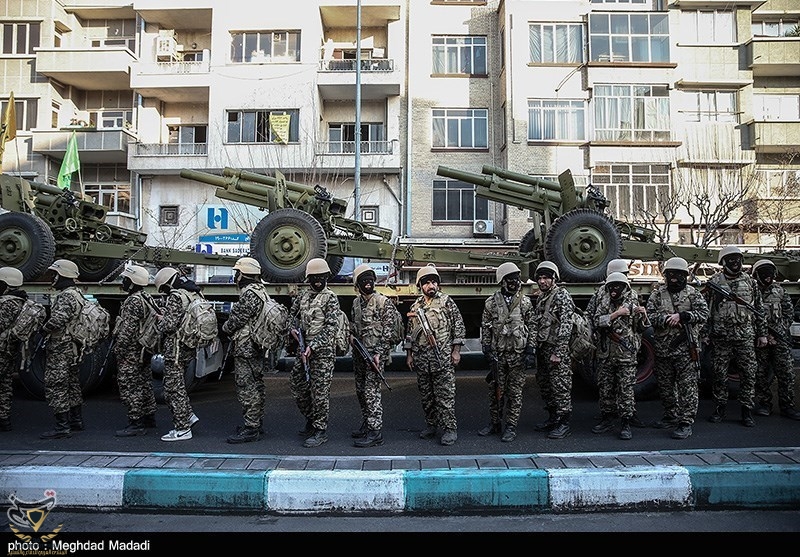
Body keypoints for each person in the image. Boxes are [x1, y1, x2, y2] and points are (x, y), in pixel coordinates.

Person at [701, 246, 767, 427]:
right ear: (723, 262)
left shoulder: (750, 282)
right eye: (730, 259)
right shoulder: (714, 282)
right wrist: (705, 333)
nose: (735, 262)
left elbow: (759, 309)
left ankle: (746, 410)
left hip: (745, 337)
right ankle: (720, 408)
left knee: (748, 373)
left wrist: (762, 334)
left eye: (737, 259)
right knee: (719, 374)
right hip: (721, 338)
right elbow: (706, 310)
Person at [645, 257, 709, 439]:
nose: (674, 278)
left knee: (687, 386)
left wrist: (683, 316)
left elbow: (704, 314)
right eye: (671, 274)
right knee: (665, 385)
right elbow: (650, 316)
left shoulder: (693, 294)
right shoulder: (657, 295)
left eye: (678, 275)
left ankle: (685, 422)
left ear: (685, 276)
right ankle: (670, 415)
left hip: (685, 349)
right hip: (663, 348)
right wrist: (666, 319)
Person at [405, 264, 466, 446]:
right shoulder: (416, 306)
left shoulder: (447, 302)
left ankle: (449, 429)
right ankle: (431, 425)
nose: (431, 286)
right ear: (420, 285)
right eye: (427, 283)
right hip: (422, 359)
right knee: (427, 397)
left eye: (434, 282)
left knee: (445, 396)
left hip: (442, 358)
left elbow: (458, 328)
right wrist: (409, 355)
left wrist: (456, 351)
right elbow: (409, 334)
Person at [584, 259, 647, 430]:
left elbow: (639, 327)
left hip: (625, 350)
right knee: (605, 386)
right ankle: (608, 416)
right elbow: (592, 318)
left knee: (626, 386)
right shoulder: (600, 295)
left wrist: (642, 316)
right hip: (606, 348)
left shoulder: (631, 295)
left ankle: (628, 417)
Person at [478, 262, 535, 443]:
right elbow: (486, 327)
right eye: (510, 280)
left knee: (515, 392)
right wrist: (486, 348)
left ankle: (511, 426)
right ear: (502, 281)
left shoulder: (524, 302)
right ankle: (495, 423)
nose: (514, 283)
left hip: (517, 355)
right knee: (495, 390)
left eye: (517, 279)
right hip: (499, 354)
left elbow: (532, 326)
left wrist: (530, 350)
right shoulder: (491, 303)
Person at [288, 257, 341, 448]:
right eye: (314, 277)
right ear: (308, 278)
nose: (318, 281)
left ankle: (320, 430)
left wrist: (314, 346)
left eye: (321, 277)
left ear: (326, 277)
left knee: (320, 393)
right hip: (303, 349)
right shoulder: (303, 296)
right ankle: (311, 419)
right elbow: (291, 316)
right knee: (297, 386)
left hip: (323, 353)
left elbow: (331, 327)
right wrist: (292, 330)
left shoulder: (330, 298)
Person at [221, 257, 273, 444]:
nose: (236, 276)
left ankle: (251, 428)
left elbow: (236, 320)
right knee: (257, 385)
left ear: (244, 274)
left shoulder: (249, 294)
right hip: (255, 345)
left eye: (238, 273)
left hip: (246, 347)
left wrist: (225, 328)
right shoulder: (261, 291)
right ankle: (256, 423)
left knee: (247, 387)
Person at [349, 263, 395, 448]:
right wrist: (350, 335)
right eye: (363, 280)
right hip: (359, 354)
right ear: (357, 284)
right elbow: (354, 326)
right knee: (361, 391)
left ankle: (375, 432)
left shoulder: (383, 302)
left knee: (371, 393)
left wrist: (378, 354)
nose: (368, 282)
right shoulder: (356, 303)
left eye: (370, 279)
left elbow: (388, 331)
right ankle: (367, 424)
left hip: (374, 356)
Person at [39, 259, 86, 439]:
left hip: (61, 347)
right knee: (72, 383)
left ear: (63, 275)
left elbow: (58, 320)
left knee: (56, 384)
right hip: (72, 346)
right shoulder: (77, 294)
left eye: (55, 274)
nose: (53, 278)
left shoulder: (66, 296)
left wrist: (43, 329)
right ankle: (76, 421)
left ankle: (62, 427)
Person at [154, 266, 201, 442]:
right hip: (188, 346)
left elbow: (169, 326)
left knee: (173, 388)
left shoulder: (176, 296)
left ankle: (182, 428)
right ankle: (188, 415)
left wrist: (161, 320)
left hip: (176, 348)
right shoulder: (193, 293)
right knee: (178, 386)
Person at [530, 261, 576, 439]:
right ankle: (553, 418)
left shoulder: (562, 296)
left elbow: (566, 325)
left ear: (554, 278)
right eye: (540, 278)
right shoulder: (542, 297)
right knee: (546, 385)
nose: (542, 281)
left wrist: (559, 352)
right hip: (544, 348)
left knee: (560, 386)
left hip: (556, 350)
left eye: (546, 278)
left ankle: (564, 423)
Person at [113, 264, 159, 437]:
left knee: (130, 385)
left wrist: (119, 350)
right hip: (143, 348)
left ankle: (135, 423)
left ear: (132, 282)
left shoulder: (133, 301)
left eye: (125, 279)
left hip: (131, 351)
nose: (123, 282)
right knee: (144, 383)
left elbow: (127, 330)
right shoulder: (146, 297)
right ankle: (149, 417)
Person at [752, 260, 800, 421]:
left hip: (779, 339)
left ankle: (787, 406)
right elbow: (747, 318)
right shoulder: (751, 292)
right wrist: (763, 335)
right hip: (760, 340)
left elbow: (788, 314)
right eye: (763, 273)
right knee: (760, 374)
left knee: (786, 373)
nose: (767, 277)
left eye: (770, 273)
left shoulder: (780, 291)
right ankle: (764, 404)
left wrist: (774, 335)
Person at [0, 267, 30, 432]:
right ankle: (4, 419)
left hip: (2, 349)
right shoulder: (20, 301)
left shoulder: (7, 304)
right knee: (5, 385)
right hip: (9, 350)